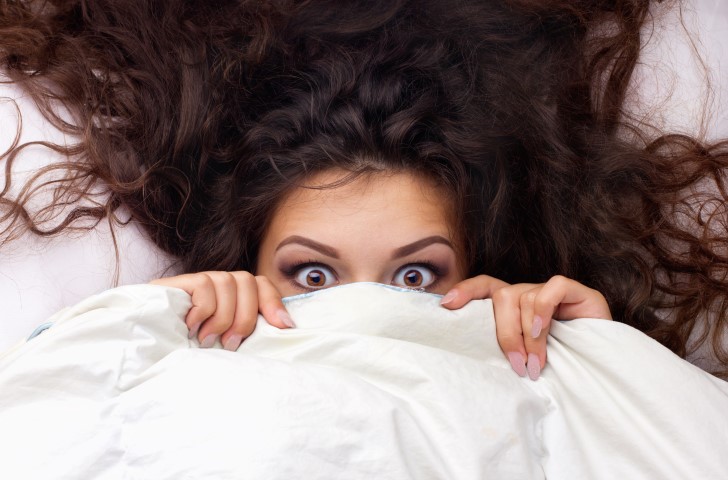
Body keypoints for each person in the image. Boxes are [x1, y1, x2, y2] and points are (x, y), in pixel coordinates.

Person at [0, 0, 727, 378]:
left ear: (476, 274)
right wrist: (149, 320)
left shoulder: (545, 351)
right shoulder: (182, 339)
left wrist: (595, 359)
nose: (364, 306)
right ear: (247, 266)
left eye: (416, 274)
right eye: (312, 274)